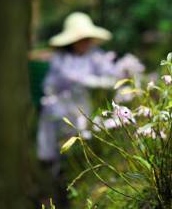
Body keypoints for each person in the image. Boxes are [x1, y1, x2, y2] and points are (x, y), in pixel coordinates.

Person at [36, 12, 117, 207]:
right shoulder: (60, 60)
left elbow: (111, 78)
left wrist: (99, 83)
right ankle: (60, 194)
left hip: (87, 113)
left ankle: (80, 194)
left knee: (85, 155)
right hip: (60, 113)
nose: (83, 43)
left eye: (86, 39)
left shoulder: (96, 57)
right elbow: (56, 83)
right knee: (61, 159)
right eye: (79, 39)